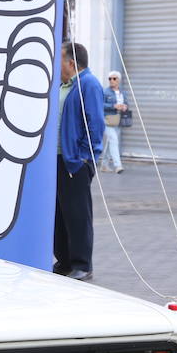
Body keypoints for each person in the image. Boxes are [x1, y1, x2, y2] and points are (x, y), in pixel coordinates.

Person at [53, 41, 105, 281]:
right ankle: (64, 261)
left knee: (77, 214)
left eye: (60, 60)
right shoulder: (65, 85)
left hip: (75, 161)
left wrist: (85, 157)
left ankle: (82, 264)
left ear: (71, 63)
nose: (57, 64)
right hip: (57, 159)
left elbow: (95, 124)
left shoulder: (89, 85)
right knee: (60, 214)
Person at [102, 70, 127, 173]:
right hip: (107, 120)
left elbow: (126, 103)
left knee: (110, 142)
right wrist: (113, 106)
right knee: (114, 140)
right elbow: (100, 104)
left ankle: (104, 165)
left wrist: (124, 106)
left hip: (118, 120)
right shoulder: (105, 92)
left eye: (114, 78)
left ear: (119, 80)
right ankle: (118, 166)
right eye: (110, 79)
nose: (111, 80)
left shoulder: (122, 92)